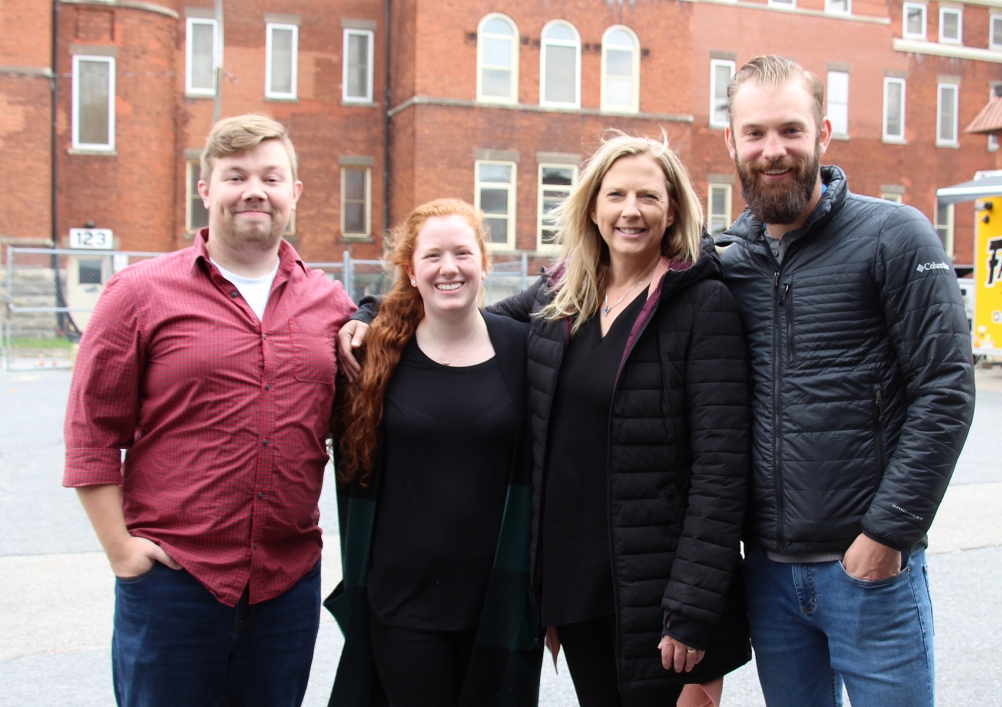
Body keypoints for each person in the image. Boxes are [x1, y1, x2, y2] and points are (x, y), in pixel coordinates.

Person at [340, 133, 753, 706]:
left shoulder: (703, 305)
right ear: (592, 206)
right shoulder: (564, 295)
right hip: (578, 589)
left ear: (674, 208)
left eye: (648, 197)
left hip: (662, 594)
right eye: (615, 195)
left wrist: (693, 607)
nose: (630, 211)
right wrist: (369, 313)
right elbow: (455, 311)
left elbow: (722, 469)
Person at [63, 114, 354, 707]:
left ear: (293, 193)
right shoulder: (140, 293)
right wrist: (121, 549)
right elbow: (91, 430)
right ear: (206, 190)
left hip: (285, 586)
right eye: (235, 176)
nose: (255, 190)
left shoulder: (329, 303)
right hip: (175, 583)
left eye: (272, 177)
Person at [715, 55, 976, 707]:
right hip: (770, 574)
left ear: (823, 134)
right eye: (755, 133)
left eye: (791, 130)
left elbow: (946, 390)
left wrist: (887, 534)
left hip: (870, 571)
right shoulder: (725, 262)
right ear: (732, 142)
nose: (773, 150)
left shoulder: (894, 235)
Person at [325, 199, 541, 707]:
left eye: (463, 253)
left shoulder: (524, 349)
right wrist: (365, 312)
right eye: (433, 256)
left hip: (498, 602)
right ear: (411, 271)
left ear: (485, 263)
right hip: (402, 607)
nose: (449, 268)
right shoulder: (375, 353)